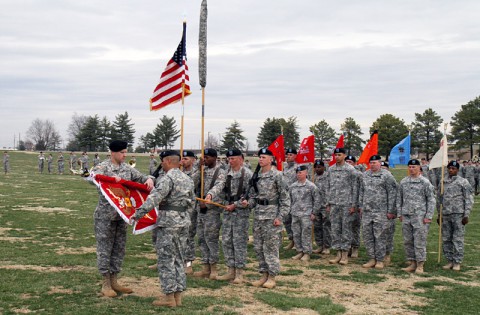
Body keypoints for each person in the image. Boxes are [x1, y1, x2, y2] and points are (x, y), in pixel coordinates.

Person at [91, 140, 154, 297]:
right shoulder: (102, 167)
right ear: (113, 153)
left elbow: (141, 177)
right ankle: (105, 283)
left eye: (126, 152)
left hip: (123, 215)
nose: (125, 155)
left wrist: (149, 178)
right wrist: (111, 180)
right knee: (105, 249)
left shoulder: (127, 169)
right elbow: (90, 177)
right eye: (122, 152)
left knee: (119, 248)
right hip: (105, 216)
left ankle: (114, 280)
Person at [131, 150, 194, 307]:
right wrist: (183, 216)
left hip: (168, 223)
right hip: (183, 221)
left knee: (166, 259)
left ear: (167, 161)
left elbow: (154, 198)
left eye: (163, 162)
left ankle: (168, 296)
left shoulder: (168, 179)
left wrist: (137, 214)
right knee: (179, 258)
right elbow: (192, 202)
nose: (162, 164)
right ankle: (178, 296)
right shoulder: (187, 179)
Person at [241, 148, 290, 289]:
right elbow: (254, 198)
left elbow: (285, 199)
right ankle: (263, 274)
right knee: (258, 247)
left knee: (271, 247)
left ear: (271, 159)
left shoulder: (277, 176)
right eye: (260, 157)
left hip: (272, 216)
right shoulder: (257, 176)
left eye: (263, 157)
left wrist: (280, 217)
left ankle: (272, 276)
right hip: (259, 216)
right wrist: (247, 203)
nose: (260, 159)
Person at [212, 148, 252, 283]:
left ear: (240, 159)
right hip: (228, 212)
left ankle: (240, 273)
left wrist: (236, 205)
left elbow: (252, 196)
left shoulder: (247, 174)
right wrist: (211, 194)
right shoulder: (226, 173)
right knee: (227, 241)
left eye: (233, 159)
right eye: (228, 159)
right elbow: (219, 186)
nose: (230, 161)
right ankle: (230, 270)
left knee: (239, 242)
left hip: (241, 213)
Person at [396, 159, 435, 274]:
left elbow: (431, 200)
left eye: (414, 167)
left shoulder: (425, 182)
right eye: (410, 167)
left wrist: (428, 216)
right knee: (408, 240)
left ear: (419, 168)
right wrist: (400, 213)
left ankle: (420, 264)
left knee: (419, 241)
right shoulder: (404, 182)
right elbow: (399, 199)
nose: (412, 169)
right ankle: (412, 262)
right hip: (406, 215)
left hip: (420, 217)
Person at [358, 155, 397, 269]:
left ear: (380, 163)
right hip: (367, 211)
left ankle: (380, 259)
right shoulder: (365, 175)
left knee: (380, 236)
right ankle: (371, 258)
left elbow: (392, 194)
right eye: (371, 163)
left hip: (381, 211)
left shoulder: (386, 176)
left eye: (375, 163)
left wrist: (391, 211)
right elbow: (361, 191)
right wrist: (361, 206)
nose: (373, 165)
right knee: (367, 236)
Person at [193, 148, 226, 280]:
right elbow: (192, 183)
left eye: (207, 157)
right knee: (201, 238)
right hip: (200, 210)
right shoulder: (203, 170)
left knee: (211, 239)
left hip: (212, 210)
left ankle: (214, 268)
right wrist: (198, 167)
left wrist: (208, 199)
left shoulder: (220, 172)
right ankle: (205, 266)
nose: (205, 159)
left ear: (214, 158)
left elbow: (218, 187)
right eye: (203, 157)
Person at [439, 160, 474, 271]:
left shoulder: (463, 182)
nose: (451, 170)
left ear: (457, 170)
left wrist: (466, 214)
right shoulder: (443, 182)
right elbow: (439, 199)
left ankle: (457, 262)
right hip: (446, 214)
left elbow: (468, 199)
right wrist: (439, 214)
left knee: (457, 239)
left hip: (458, 214)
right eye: (449, 168)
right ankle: (449, 260)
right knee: (446, 238)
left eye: (453, 169)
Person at [326, 148, 358, 265]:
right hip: (334, 203)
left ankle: (345, 254)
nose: (337, 157)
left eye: (339, 155)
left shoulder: (351, 170)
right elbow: (328, 187)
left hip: (346, 204)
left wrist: (354, 204)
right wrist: (328, 203)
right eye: (336, 155)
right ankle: (338, 253)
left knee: (346, 229)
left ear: (344, 155)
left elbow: (355, 188)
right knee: (335, 229)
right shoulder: (331, 169)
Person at [290, 165, 320, 262]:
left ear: (306, 173)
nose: (298, 174)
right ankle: (299, 251)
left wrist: (314, 213)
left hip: (306, 214)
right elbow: (289, 200)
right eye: (297, 173)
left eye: (300, 172)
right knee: (296, 233)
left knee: (305, 234)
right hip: (295, 213)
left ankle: (307, 253)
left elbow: (317, 200)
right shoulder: (293, 186)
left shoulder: (311, 186)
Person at [180, 150, 200, 274]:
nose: (183, 161)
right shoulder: (178, 172)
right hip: (178, 208)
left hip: (190, 209)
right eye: (182, 158)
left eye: (186, 159)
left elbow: (189, 184)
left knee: (189, 236)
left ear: (193, 160)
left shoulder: (197, 173)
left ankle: (188, 263)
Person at [345, 155, 362, 258]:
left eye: (350, 162)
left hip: (356, 204)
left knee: (355, 227)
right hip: (345, 204)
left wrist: (358, 205)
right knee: (346, 228)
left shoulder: (359, 175)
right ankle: (347, 247)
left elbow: (361, 190)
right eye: (347, 161)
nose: (348, 163)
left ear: (355, 164)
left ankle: (355, 247)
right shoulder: (344, 174)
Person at [312, 159, 331, 255]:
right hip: (316, 206)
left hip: (325, 205)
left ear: (324, 167)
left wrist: (329, 204)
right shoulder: (313, 177)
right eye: (316, 167)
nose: (317, 169)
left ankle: (327, 246)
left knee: (326, 226)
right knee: (317, 226)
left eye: (319, 167)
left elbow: (331, 190)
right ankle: (320, 245)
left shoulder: (328, 176)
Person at [282, 148, 299, 250]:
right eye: (287, 154)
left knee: (295, 221)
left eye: (291, 155)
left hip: (295, 198)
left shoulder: (298, 168)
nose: (288, 156)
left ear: (295, 156)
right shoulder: (285, 168)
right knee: (286, 220)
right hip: (285, 198)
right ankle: (291, 239)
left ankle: (297, 241)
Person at [381, 160, 397, 265]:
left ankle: (387, 254)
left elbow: (395, 197)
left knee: (388, 234)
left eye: (385, 169)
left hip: (389, 212)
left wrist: (392, 211)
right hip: (377, 211)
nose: (383, 171)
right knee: (378, 235)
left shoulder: (392, 180)